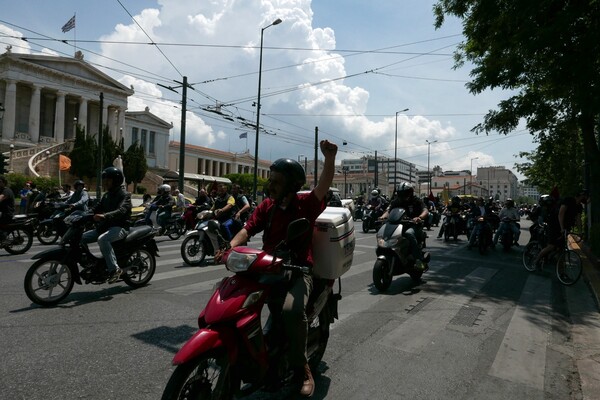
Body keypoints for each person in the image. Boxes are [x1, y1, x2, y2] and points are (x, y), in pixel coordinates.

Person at [222, 140, 337, 398]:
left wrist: (329, 158)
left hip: (297, 270)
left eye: (275, 181)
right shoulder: (267, 207)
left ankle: (301, 369)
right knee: (235, 303)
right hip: (267, 267)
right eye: (270, 180)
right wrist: (229, 246)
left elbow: (323, 185)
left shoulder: (305, 205)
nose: (269, 185)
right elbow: (248, 228)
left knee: (291, 311)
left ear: (291, 185)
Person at [80, 167, 132, 283]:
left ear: (116, 180)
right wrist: (82, 215)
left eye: (108, 180)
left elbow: (122, 210)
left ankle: (115, 269)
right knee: (81, 238)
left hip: (120, 227)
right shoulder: (107, 195)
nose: (105, 182)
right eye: (104, 180)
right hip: (105, 226)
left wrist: (105, 216)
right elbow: (96, 207)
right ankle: (91, 263)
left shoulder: (125, 195)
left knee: (103, 240)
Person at [534, 189, 589, 274]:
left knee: (561, 250)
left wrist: (580, 232)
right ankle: (536, 261)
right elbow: (561, 213)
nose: (587, 199)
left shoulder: (579, 207)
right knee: (551, 246)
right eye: (586, 196)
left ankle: (561, 273)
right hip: (554, 224)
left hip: (564, 227)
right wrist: (562, 228)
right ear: (582, 196)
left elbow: (578, 219)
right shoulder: (569, 200)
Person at [379, 182, 429, 271]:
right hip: (398, 225)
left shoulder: (416, 200)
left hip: (413, 225)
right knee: (383, 232)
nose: (402, 195)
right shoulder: (396, 201)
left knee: (409, 233)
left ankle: (418, 259)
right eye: (400, 193)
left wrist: (419, 217)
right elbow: (389, 210)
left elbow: (425, 210)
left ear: (410, 192)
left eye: (405, 193)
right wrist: (383, 217)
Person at [0, 175, 16, 242]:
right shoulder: (1, 190)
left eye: (0, 182)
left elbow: (0, 198)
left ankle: (4, 239)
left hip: (7, 213)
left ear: (4, 183)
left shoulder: (7, 191)